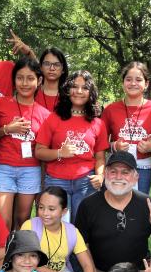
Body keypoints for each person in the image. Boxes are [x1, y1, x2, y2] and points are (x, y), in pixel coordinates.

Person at [74, 151, 151, 272]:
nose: (118, 177)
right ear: (105, 174)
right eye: (113, 172)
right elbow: (82, 246)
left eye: (125, 172)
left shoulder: (147, 204)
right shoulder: (88, 205)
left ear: (136, 177)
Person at [34, 70, 108, 218]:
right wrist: (60, 152)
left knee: (82, 227)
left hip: (86, 181)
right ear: (67, 90)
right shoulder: (54, 118)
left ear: (91, 92)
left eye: (85, 87)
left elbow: (100, 157)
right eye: (74, 86)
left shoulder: (98, 123)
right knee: (57, 227)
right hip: (56, 180)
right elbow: (39, 151)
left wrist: (100, 176)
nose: (79, 91)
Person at [0, 57, 52, 229]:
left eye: (30, 78)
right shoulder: (0, 104)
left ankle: (18, 254)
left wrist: (42, 182)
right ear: (14, 80)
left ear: (39, 81)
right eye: (20, 78)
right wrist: (7, 129)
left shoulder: (45, 114)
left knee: (22, 219)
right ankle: (3, 255)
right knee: (3, 220)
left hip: (30, 170)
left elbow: (44, 150)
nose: (25, 83)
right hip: (3, 168)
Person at [20, 186, 96, 272]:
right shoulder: (29, 226)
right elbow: (27, 263)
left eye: (51, 209)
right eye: (41, 207)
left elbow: (87, 264)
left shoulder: (72, 231)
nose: (45, 213)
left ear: (64, 211)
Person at [102, 62, 151, 195]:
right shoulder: (111, 109)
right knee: (113, 204)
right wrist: (114, 146)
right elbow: (100, 143)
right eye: (128, 79)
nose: (133, 83)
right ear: (123, 83)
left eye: (138, 80)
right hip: (116, 166)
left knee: (138, 207)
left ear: (146, 84)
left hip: (142, 168)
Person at [36, 47, 68, 112]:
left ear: (63, 69)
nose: (52, 68)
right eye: (47, 64)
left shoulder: (69, 97)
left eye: (57, 64)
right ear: (41, 67)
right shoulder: (32, 93)